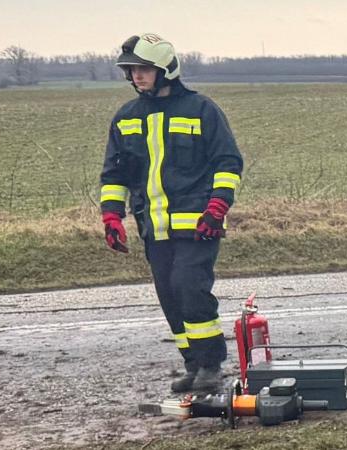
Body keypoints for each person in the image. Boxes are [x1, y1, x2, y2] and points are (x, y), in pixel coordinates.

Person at [99, 33, 243, 393]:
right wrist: (112, 217)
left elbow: (228, 162)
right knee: (169, 294)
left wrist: (217, 207)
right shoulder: (126, 117)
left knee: (189, 288)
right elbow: (114, 174)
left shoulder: (201, 109)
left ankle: (211, 364)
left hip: (199, 225)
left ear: (166, 69)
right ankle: (192, 363)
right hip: (153, 227)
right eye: (131, 71)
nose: (137, 77)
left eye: (144, 69)